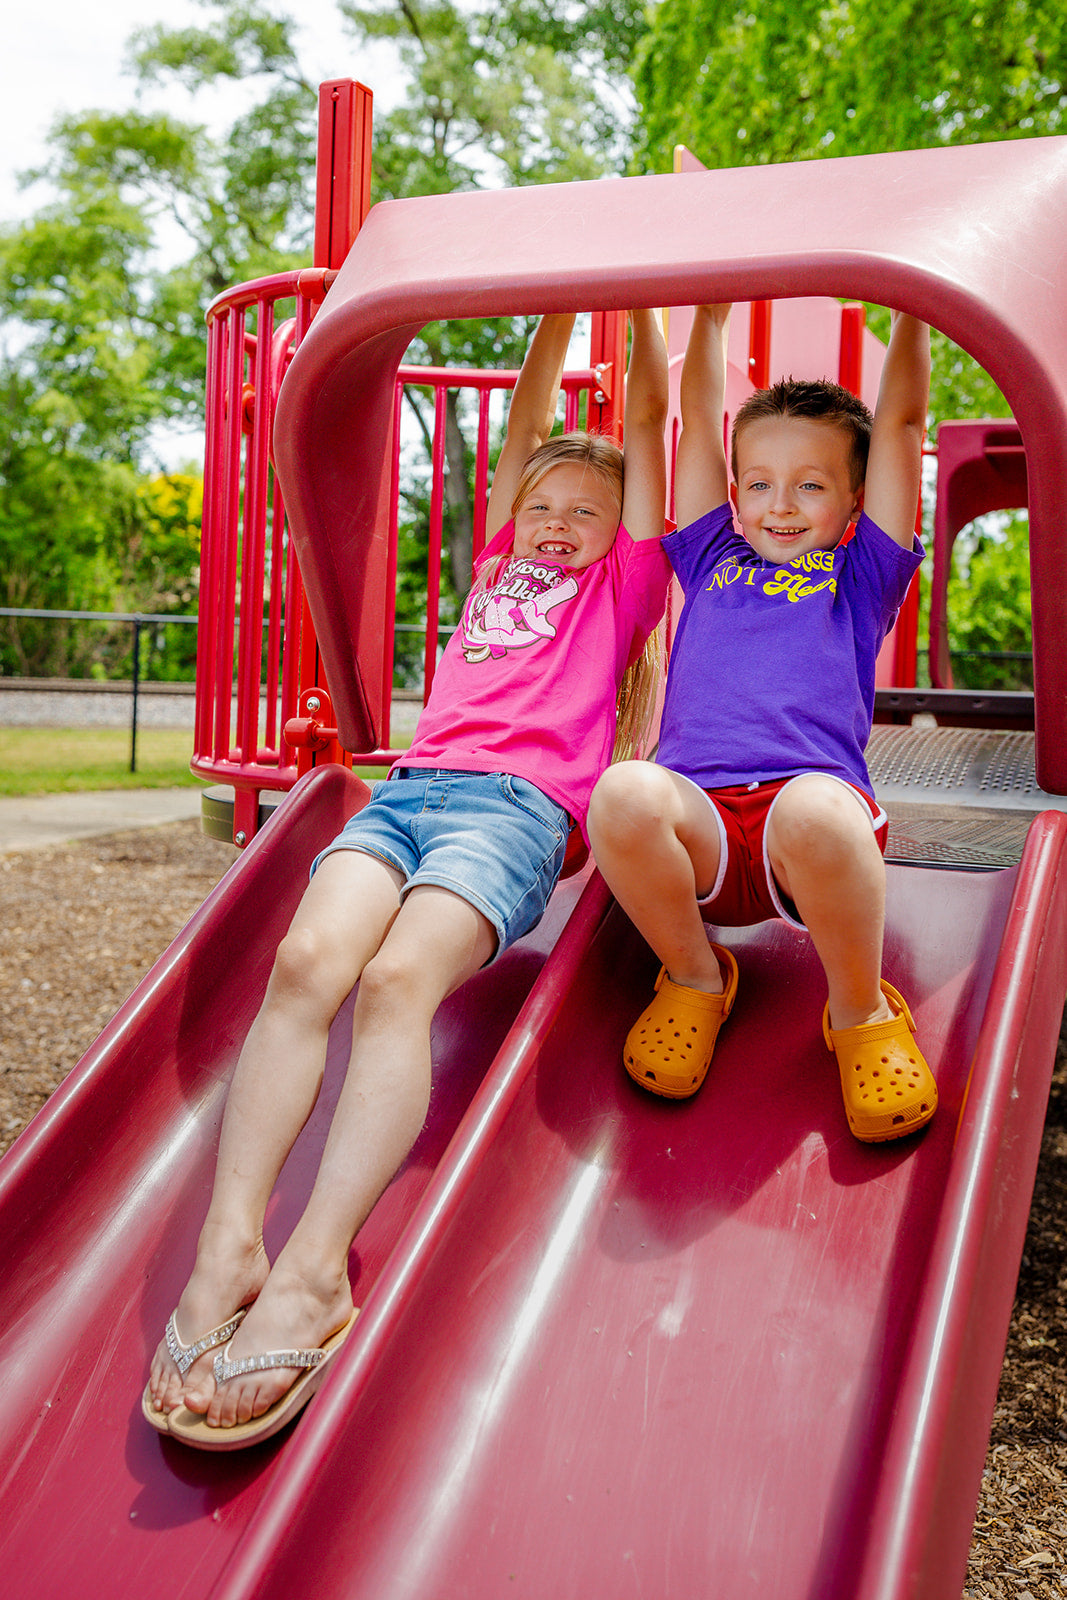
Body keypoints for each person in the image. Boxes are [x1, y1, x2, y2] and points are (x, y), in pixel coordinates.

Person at [143, 309, 672, 1447]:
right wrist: (550, 314)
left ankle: (313, 1272)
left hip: (516, 809)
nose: (558, 524)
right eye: (542, 505)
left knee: (390, 986)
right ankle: (232, 1242)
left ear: (617, 533)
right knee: (303, 964)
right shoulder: (495, 558)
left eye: (586, 511)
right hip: (410, 791)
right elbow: (531, 427)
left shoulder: (621, 588)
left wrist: (637, 311)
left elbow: (636, 417)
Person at [588, 303, 938, 1144]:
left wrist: (915, 305)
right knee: (623, 793)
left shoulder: (860, 575)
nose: (780, 504)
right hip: (701, 829)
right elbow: (696, 420)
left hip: (803, 837)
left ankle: (856, 1011)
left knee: (819, 808)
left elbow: (898, 421)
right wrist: (708, 313)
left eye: (811, 485)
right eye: (759, 483)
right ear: (736, 489)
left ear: (853, 497)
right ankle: (695, 975)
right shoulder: (712, 554)